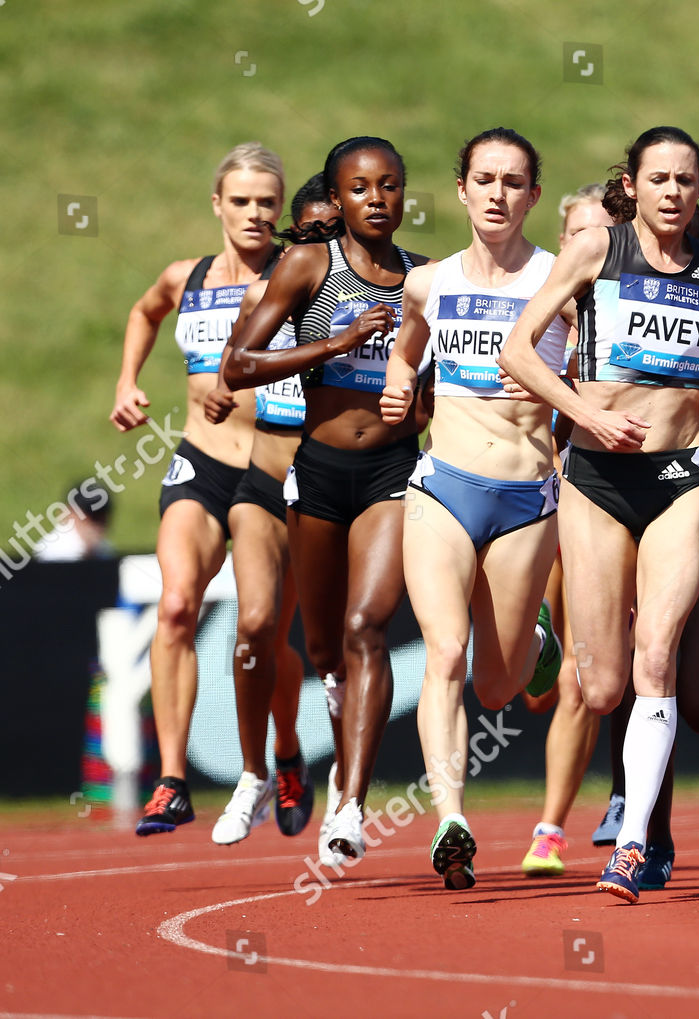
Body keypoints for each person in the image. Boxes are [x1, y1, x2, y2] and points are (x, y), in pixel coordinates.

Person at [500, 126, 699, 903]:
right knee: (602, 686)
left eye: (686, 178)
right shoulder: (595, 252)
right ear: (632, 186)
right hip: (596, 476)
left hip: (680, 477)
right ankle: (546, 642)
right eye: (659, 179)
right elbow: (517, 348)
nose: (673, 192)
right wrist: (585, 413)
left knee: (656, 659)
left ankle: (634, 843)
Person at [225, 136, 429, 864]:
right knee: (323, 650)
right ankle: (326, 761)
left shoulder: (425, 280)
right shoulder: (311, 264)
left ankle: (350, 800)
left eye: (390, 185)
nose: (377, 198)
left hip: (392, 473)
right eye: (360, 187)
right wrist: (336, 341)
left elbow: (444, 382)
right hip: (316, 470)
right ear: (337, 199)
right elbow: (239, 364)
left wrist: (423, 402)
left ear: (405, 195)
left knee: (367, 624)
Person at [378, 127, 568, 890]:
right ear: (460, 189)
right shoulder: (428, 282)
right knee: (446, 652)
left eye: (512, 181)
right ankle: (450, 813)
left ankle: (538, 639)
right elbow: (405, 345)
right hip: (443, 484)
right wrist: (398, 378)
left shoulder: (560, 280)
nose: (496, 193)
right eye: (483, 179)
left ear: (533, 195)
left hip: (528, 495)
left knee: (498, 686)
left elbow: (598, 373)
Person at [110, 143, 286, 836]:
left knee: (262, 629)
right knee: (177, 604)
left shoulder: (298, 276)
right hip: (200, 461)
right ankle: (173, 779)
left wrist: (247, 377)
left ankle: (286, 755)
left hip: (271, 469)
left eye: (266, 202)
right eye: (240, 200)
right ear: (217, 204)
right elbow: (142, 311)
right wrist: (127, 382)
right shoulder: (185, 277)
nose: (254, 213)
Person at [205, 175, 341, 845]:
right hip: (261, 484)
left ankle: (308, 761)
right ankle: (255, 772)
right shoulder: (266, 294)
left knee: (325, 649)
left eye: (330, 235)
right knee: (255, 624)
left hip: (326, 492)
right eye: (306, 234)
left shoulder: (370, 301)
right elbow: (235, 366)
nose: (314, 248)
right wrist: (218, 391)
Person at [522, 183, 615, 876]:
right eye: (579, 233)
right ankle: (538, 638)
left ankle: (551, 826)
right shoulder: (541, 309)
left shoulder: (635, 308)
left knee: (589, 676)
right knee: (533, 684)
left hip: (603, 496)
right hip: (534, 495)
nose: (592, 244)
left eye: (603, 232)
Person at [35, 481, 114, 561]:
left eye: (102, 515)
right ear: (68, 513)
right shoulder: (51, 552)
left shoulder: (106, 551)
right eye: (91, 515)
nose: (97, 523)